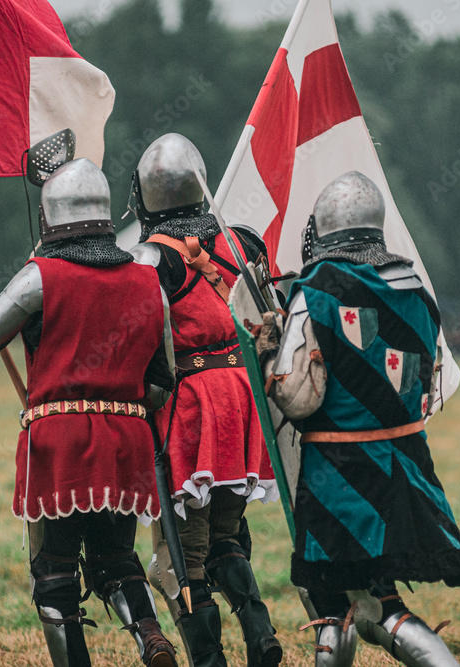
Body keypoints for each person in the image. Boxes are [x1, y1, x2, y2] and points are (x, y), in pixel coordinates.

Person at [0, 158, 178, 667]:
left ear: (50, 218)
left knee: (54, 574)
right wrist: (115, 401)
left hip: (60, 442)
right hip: (126, 439)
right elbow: (160, 384)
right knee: (116, 560)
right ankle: (150, 635)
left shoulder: (40, 277)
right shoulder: (148, 282)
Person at [256, 171, 460, 667]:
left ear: (325, 229)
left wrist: (269, 350)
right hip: (405, 465)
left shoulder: (317, 289)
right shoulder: (414, 286)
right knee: (380, 599)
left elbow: (296, 397)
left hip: (339, 473)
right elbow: (425, 386)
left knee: (335, 605)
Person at [128, 133, 282, 667]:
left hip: (190, 403)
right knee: (227, 532)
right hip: (242, 396)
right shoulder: (242, 244)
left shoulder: (150, 257)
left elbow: (143, 343)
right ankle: (260, 631)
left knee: (184, 550)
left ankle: (209, 658)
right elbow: (269, 319)